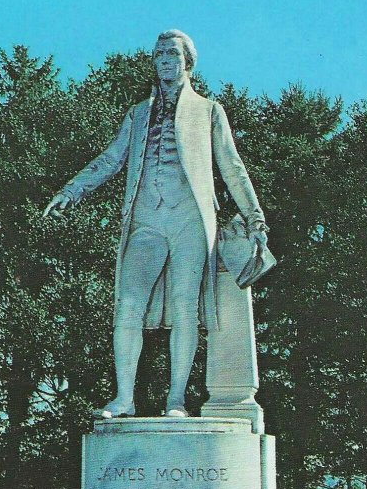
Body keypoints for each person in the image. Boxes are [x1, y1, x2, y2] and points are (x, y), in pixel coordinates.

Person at [43, 29, 268, 418]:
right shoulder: (138, 114)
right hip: (146, 220)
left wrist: (255, 217)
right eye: (159, 52)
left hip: (190, 220)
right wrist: (71, 190)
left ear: (188, 61)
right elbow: (111, 159)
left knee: (185, 307)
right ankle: (124, 398)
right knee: (128, 303)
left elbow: (232, 167)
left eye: (173, 53)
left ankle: (176, 399)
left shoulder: (209, 111)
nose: (165, 58)